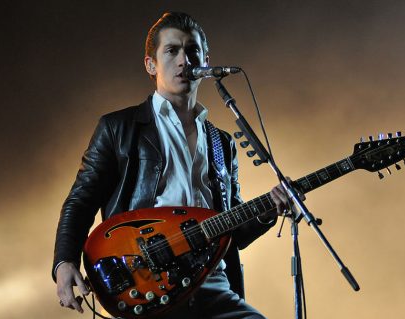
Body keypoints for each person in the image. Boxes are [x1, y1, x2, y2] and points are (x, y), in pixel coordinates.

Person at [53, 12, 289, 319]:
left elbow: (233, 230)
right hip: (150, 283)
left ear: (205, 60)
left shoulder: (222, 143)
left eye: (191, 51)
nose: (183, 60)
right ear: (151, 64)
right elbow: (81, 200)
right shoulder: (119, 128)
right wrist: (64, 262)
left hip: (212, 285)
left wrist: (268, 211)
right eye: (172, 50)